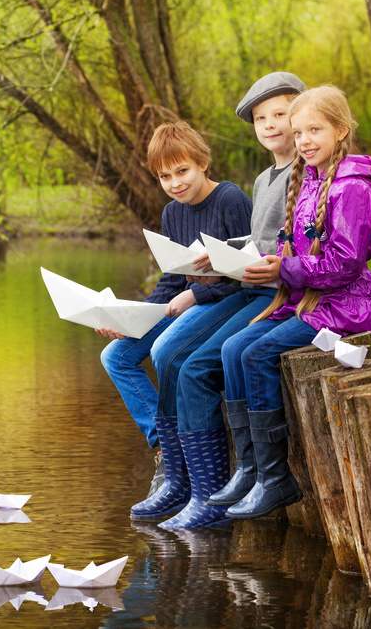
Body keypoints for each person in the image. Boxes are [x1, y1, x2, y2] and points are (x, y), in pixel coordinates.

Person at [131, 72, 308, 528]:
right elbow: (261, 239)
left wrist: (211, 276)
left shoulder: (304, 173)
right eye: (260, 119)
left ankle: (216, 489)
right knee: (159, 350)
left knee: (190, 360)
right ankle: (183, 478)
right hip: (250, 283)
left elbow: (295, 242)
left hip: (268, 292)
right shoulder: (264, 179)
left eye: (280, 114)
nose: (269, 125)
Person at [217, 84, 371, 522]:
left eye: (315, 129)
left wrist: (284, 271)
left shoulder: (351, 188)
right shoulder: (308, 179)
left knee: (256, 354)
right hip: (306, 298)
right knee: (233, 348)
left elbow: (346, 263)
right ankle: (252, 467)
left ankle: (276, 478)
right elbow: (293, 243)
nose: (305, 140)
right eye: (299, 132)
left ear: (341, 129)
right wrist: (266, 262)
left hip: (345, 307)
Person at [98, 121, 252, 498]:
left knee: (169, 352)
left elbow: (249, 273)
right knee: (115, 356)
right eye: (165, 176)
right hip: (185, 302)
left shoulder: (231, 201)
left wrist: (195, 297)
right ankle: (166, 448)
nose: (175, 182)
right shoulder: (172, 213)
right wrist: (132, 318)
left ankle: (191, 461)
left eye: (182, 171)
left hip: (228, 301)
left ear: (202, 163)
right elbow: (171, 281)